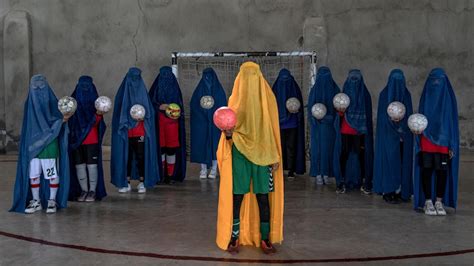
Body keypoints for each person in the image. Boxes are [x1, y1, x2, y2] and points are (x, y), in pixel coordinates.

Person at [216, 62, 284, 254]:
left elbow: (271, 130)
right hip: (240, 153)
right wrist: (228, 134)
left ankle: (265, 238)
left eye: (253, 75)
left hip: (263, 154)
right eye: (246, 75)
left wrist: (274, 155)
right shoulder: (234, 100)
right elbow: (228, 131)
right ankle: (234, 236)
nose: (249, 79)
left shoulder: (268, 98)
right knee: (237, 195)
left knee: (263, 197)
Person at [10, 75, 71, 214]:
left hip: (49, 144)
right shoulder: (29, 103)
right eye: (34, 85)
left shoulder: (54, 102)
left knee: (51, 173)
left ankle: (52, 200)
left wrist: (63, 120)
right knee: (33, 174)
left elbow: (58, 119)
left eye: (41, 85)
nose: (37, 88)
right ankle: (36, 201)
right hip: (33, 145)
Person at [413, 68, 459, 216]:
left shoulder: (449, 100)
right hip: (426, 139)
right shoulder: (426, 96)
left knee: (441, 171)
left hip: (443, 141)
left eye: (439, 80)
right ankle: (427, 201)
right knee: (427, 169)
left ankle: (439, 201)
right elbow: (419, 120)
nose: (436, 83)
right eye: (433, 80)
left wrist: (452, 144)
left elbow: (452, 123)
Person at [111, 67, 159, 193]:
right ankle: (125, 182)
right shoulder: (122, 94)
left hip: (140, 132)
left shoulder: (143, 94)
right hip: (126, 133)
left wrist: (144, 117)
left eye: (137, 78)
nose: (134, 81)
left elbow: (150, 113)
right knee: (127, 156)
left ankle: (142, 182)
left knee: (140, 156)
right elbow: (118, 113)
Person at [373, 69, 413, 203]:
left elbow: (409, 117)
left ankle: (401, 190)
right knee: (389, 162)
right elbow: (382, 119)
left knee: (403, 162)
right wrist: (392, 121)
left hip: (404, 137)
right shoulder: (384, 95)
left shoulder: (406, 95)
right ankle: (388, 190)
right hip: (388, 137)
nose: (397, 84)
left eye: (400, 80)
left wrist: (402, 126)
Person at [333, 69, 374, 194]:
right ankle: (341, 182)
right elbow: (339, 111)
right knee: (344, 154)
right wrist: (340, 111)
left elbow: (368, 114)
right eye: (352, 79)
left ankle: (363, 181)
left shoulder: (365, 95)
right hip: (346, 129)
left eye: (357, 79)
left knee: (361, 155)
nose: (354, 82)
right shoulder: (344, 93)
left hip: (360, 131)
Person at [68, 76, 107, 202]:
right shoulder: (72, 102)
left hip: (91, 139)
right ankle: (84, 190)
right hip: (76, 139)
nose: (84, 88)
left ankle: (92, 191)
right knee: (79, 165)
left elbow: (98, 122)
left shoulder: (96, 102)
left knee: (92, 165)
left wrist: (98, 115)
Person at [149, 66, 186, 183]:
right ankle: (161, 174)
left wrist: (175, 109)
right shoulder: (155, 88)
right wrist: (159, 106)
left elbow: (180, 106)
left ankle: (170, 175)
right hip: (159, 123)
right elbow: (150, 104)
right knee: (161, 149)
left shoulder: (175, 88)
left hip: (172, 124)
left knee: (171, 149)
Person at [190, 68, 227, 179]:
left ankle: (214, 169)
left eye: (210, 76)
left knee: (214, 144)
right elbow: (194, 105)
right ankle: (203, 169)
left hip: (215, 124)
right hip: (202, 123)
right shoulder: (199, 90)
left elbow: (222, 105)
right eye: (205, 76)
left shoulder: (219, 91)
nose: (208, 79)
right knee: (202, 144)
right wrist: (201, 115)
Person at [307, 66, 340, 185]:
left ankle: (326, 173)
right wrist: (316, 119)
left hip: (329, 127)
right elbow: (310, 109)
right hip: (318, 127)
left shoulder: (334, 90)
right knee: (318, 150)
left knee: (327, 149)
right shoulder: (316, 90)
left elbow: (339, 107)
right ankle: (318, 173)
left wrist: (330, 119)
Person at [271, 69, 305, 180]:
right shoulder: (275, 90)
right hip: (278, 124)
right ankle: (279, 169)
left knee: (291, 147)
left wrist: (297, 110)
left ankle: (291, 170)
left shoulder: (294, 89)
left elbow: (299, 105)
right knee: (279, 148)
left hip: (292, 124)